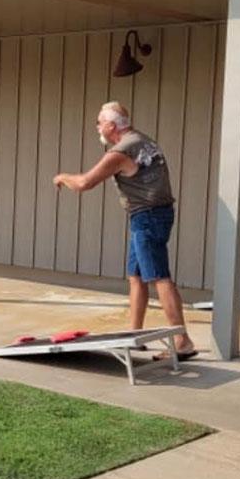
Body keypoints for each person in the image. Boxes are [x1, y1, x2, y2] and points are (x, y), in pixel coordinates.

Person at [53, 101, 197, 360]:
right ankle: (135, 336)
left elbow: (85, 183)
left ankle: (182, 340)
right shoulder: (142, 140)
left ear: (111, 125)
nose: (97, 126)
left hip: (148, 217)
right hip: (152, 214)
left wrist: (62, 176)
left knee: (159, 277)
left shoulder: (120, 152)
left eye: (99, 122)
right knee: (137, 276)